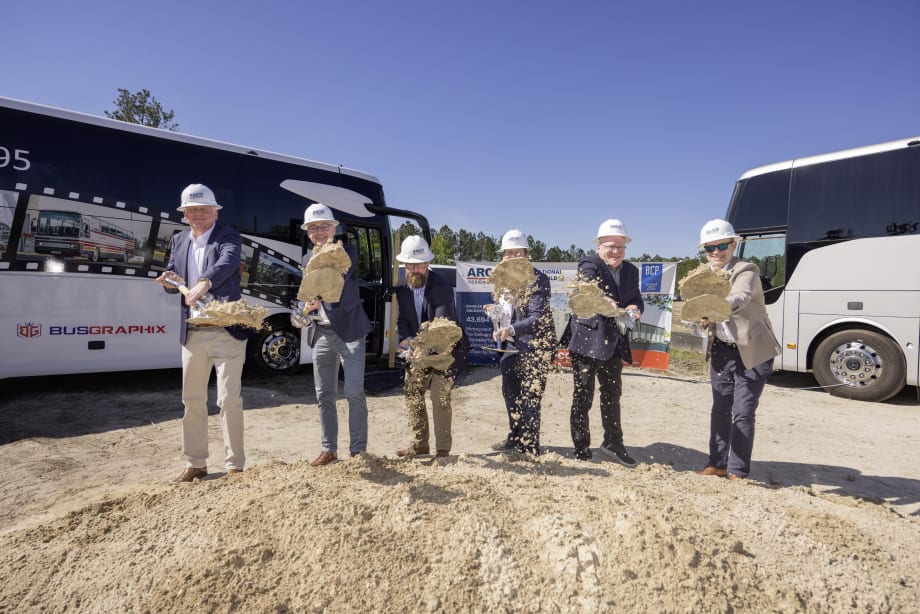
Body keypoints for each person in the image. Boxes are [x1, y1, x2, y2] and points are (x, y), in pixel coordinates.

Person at [156, 183, 250, 482]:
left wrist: (204, 282)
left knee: (229, 400)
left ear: (215, 212)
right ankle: (196, 463)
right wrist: (170, 279)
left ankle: (235, 465)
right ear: (184, 214)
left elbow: (227, 263)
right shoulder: (179, 239)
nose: (198, 214)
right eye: (192, 210)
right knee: (192, 399)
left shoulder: (228, 236)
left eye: (203, 210)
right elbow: (174, 273)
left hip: (226, 331)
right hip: (193, 332)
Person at [696, 219, 781, 481]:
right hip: (722, 352)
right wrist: (701, 318)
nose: (716, 252)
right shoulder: (704, 276)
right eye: (710, 248)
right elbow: (701, 313)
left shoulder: (746, 270)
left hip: (752, 351)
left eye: (722, 246)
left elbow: (740, 297)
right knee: (720, 409)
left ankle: (738, 470)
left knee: (743, 413)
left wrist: (712, 306)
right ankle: (717, 464)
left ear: (733, 245)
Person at [297, 203, 373, 467]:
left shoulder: (346, 250)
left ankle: (358, 452)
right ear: (308, 233)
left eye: (324, 226)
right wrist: (304, 306)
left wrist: (315, 295)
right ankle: (329, 449)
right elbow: (306, 292)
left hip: (350, 332)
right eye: (313, 228)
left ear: (334, 228)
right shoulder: (306, 260)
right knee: (324, 394)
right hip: (321, 333)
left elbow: (334, 277)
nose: (319, 232)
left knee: (354, 392)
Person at [562, 219, 643, 464]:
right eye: (610, 246)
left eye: (620, 246)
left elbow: (636, 298)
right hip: (587, 341)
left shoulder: (631, 271)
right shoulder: (589, 263)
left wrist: (634, 308)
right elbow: (588, 285)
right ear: (599, 247)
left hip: (614, 342)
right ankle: (581, 447)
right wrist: (603, 300)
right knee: (583, 396)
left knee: (612, 395)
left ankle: (613, 444)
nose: (615, 251)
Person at [394, 235, 469, 458]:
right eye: (410, 264)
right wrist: (407, 338)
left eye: (419, 264)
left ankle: (443, 449)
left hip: (446, 348)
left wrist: (420, 346)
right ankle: (420, 445)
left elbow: (441, 326)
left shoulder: (441, 286)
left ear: (428, 262)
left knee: (439, 395)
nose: (414, 269)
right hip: (419, 348)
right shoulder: (402, 287)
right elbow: (403, 320)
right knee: (412, 390)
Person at [487, 229, 555, 455]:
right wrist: (495, 313)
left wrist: (511, 329)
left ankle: (530, 447)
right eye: (509, 253)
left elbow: (537, 318)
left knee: (530, 398)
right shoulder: (501, 279)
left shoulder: (538, 280)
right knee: (510, 395)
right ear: (503, 256)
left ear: (526, 255)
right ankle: (516, 437)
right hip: (510, 346)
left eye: (518, 252)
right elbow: (506, 312)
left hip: (534, 346)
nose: (513, 257)